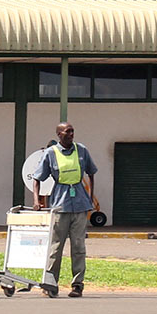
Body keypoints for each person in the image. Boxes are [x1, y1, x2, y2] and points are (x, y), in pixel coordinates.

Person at [32, 122, 97, 298]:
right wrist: (37, 200)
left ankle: (77, 285)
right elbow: (37, 178)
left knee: (78, 246)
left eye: (72, 131)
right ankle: (51, 284)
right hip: (60, 205)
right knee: (55, 247)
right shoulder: (50, 153)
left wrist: (90, 196)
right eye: (67, 132)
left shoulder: (81, 150)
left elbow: (91, 172)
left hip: (80, 205)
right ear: (59, 135)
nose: (71, 134)